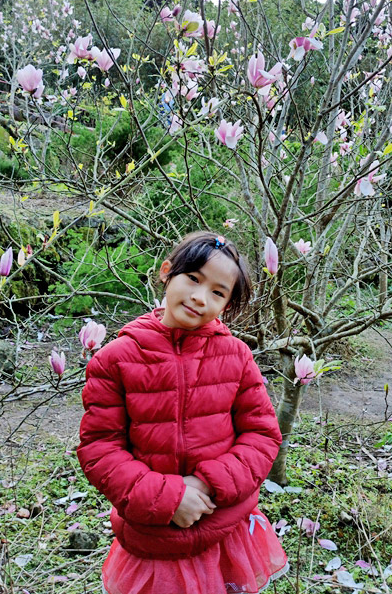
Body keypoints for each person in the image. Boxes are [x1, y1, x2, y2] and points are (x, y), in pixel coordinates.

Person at [77, 231, 288, 594]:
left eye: (217, 293)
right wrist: (168, 497)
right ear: (166, 272)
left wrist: (207, 484)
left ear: (227, 306)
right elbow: (100, 448)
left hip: (223, 529)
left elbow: (262, 435)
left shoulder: (236, 357)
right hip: (153, 535)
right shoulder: (115, 359)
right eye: (193, 279)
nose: (199, 298)